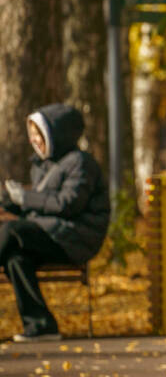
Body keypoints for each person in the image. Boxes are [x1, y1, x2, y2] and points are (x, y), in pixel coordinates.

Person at [1, 104, 109, 342]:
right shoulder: (44, 165)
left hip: (76, 238)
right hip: (53, 235)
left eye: (38, 135)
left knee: (9, 231)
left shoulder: (80, 163)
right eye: (31, 136)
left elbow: (67, 204)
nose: (34, 141)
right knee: (15, 258)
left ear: (55, 134)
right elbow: (39, 204)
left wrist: (25, 197)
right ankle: (41, 326)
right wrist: (11, 202)